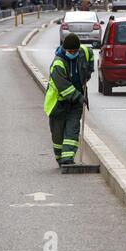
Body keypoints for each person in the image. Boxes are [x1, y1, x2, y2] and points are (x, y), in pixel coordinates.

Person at [44, 34, 94, 166]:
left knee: (72, 129)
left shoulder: (84, 52)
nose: (72, 53)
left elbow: (90, 58)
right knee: (58, 135)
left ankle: (68, 159)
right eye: (70, 51)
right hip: (58, 103)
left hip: (75, 103)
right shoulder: (58, 64)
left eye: (75, 51)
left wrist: (88, 72)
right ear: (64, 49)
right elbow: (63, 87)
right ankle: (60, 158)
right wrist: (79, 97)